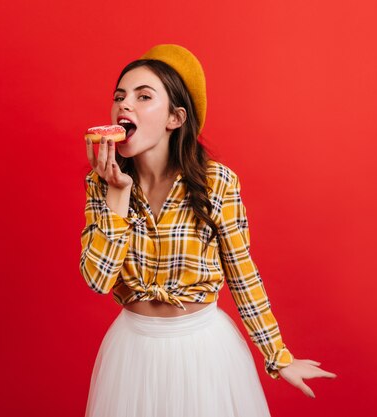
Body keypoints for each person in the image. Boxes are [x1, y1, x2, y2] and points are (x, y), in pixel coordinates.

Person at [80, 44, 336, 417]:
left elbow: (241, 272)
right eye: (119, 97)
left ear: (175, 118)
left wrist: (278, 356)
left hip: (203, 352)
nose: (124, 105)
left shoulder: (216, 182)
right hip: (131, 351)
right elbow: (97, 281)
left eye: (143, 96)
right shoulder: (102, 183)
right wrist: (117, 197)